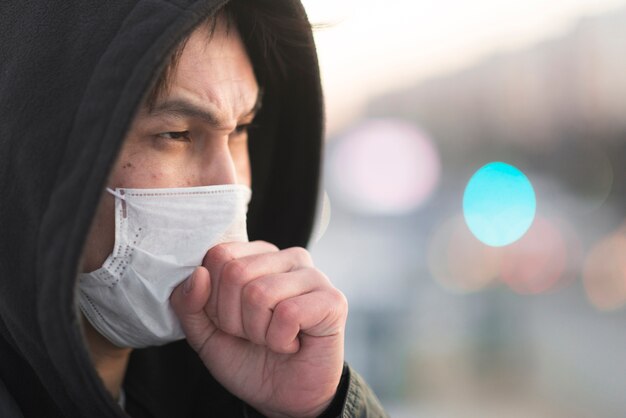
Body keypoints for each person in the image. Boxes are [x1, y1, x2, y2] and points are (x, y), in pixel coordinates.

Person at [0, 0, 388, 417]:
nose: (228, 185)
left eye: (241, 130)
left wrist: (316, 410)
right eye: (176, 133)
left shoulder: (239, 387)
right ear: (35, 155)